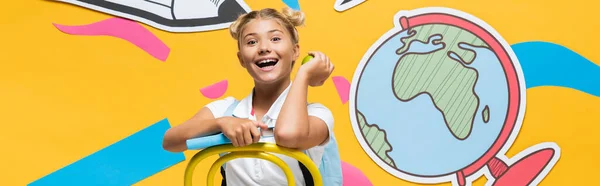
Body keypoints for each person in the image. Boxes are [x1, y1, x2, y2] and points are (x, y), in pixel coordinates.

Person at [162, 7, 341, 186]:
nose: (263, 48)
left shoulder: (316, 114)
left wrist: (303, 75)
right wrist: (220, 123)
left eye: (275, 39)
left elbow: (288, 135)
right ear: (241, 59)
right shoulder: (225, 110)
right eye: (252, 42)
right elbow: (170, 142)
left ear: (295, 51)